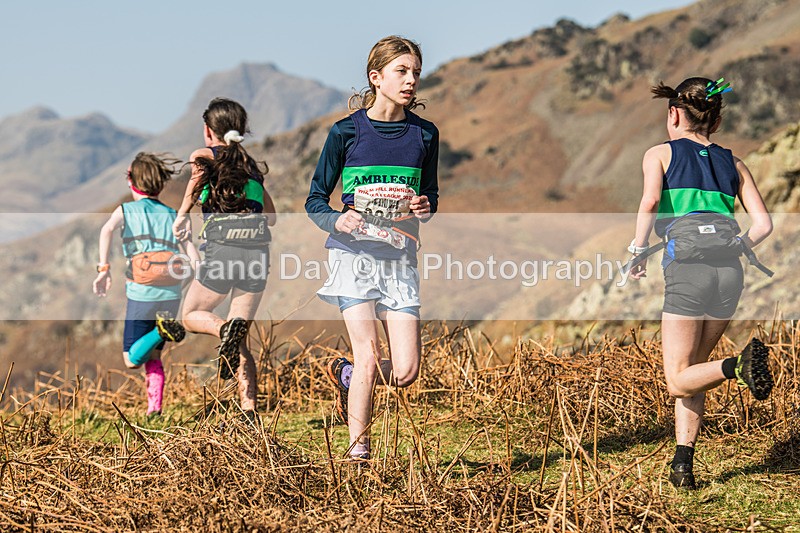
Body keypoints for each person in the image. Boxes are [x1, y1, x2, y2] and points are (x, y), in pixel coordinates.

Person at [629, 77, 773, 489]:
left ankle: (737, 366)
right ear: (716, 119)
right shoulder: (734, 162)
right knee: (694, 371)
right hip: (730, 273)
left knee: (677, 379)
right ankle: (683, 466)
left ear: (674, 113)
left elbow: (650, 202)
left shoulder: (659, 154)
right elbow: (764, 224)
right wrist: (737, 246)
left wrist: (638, 249)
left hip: (688, 271)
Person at [305, 36, 439, 460]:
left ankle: (345, 375)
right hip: (352, 254)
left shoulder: (425, 134)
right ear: (376, 78)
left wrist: (425, 206)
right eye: (402, 71)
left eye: (416, 72)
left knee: (406, 371)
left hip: (400, 257)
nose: (411, 80)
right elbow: (314, 200)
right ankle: (357, 455)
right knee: (369, 355)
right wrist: (336, 219)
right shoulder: (346, 132)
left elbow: (431, 196)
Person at [173, 97, 276, 421]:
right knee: (239, 336)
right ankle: (249, 411)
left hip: (223, 249)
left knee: (191, 315)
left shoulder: (204, 155)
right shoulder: (251, 166)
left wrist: (182, 215)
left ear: (208, 130)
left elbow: (194, 183)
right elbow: (271, 216)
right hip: (257, 253)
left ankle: (223, 330)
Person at [93, 152, 198, 417]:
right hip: (171, 292)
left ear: (131, 181)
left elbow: (106, 230)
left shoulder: (126, 210)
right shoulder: (172, 214)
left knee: (131, 359)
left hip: (142, 293)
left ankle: (162, 331)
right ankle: (154, 410)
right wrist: (195, 274)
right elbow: (190, 251)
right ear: (160, 184)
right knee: (154, 357)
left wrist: (104, 269)